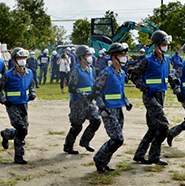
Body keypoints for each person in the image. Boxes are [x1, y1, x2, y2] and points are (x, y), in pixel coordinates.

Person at [130, 30, 173, 166]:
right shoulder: (147, 60)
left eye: (166, 44)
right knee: (164, 126)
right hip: (150, 96)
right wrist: (146, 88)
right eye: (163, 44)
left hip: (161, 95)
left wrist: (177, 87)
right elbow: (134, 75)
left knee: (153, 128)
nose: (166, 46)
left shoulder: (166, 60)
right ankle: (154, 156)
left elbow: (169, 76)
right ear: (156, 45)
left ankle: (139, 154)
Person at [92, 42, 133, 172]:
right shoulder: (106, 73)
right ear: (114, 57)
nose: (125, 57)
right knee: (117, 139)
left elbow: (120, 91)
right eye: (122, 54)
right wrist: (102, 107)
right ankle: (99, 158)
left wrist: (126, 102)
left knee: (116, 138)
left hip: (118, 109)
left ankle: (104, 162)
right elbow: (96, 90)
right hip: (108, 110)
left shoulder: (121, 73)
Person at [0, 47, 37, 164]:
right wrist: (4, 101)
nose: (23, 60)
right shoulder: (8, 75)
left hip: (24, 105)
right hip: (12, 105)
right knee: (21, 128)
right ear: (14, 60)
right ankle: (19, 156)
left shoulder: (29, 73)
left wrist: (33, 94)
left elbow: (31, 87)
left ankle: (6, 134)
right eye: (20, 58)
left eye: (24, 58)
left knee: (24, 131)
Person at [63, 45, 101, 154]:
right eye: (88, 55)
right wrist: (84, 95)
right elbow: (72, 88)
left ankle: (85, 141)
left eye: (90, 55)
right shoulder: (76, 70)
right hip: (77, 102)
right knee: (77, 126)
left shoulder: (91, 69)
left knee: (96, 120)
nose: (90, 57)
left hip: (89, 102)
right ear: (81, 57)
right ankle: (68, 146)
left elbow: (93, 84)